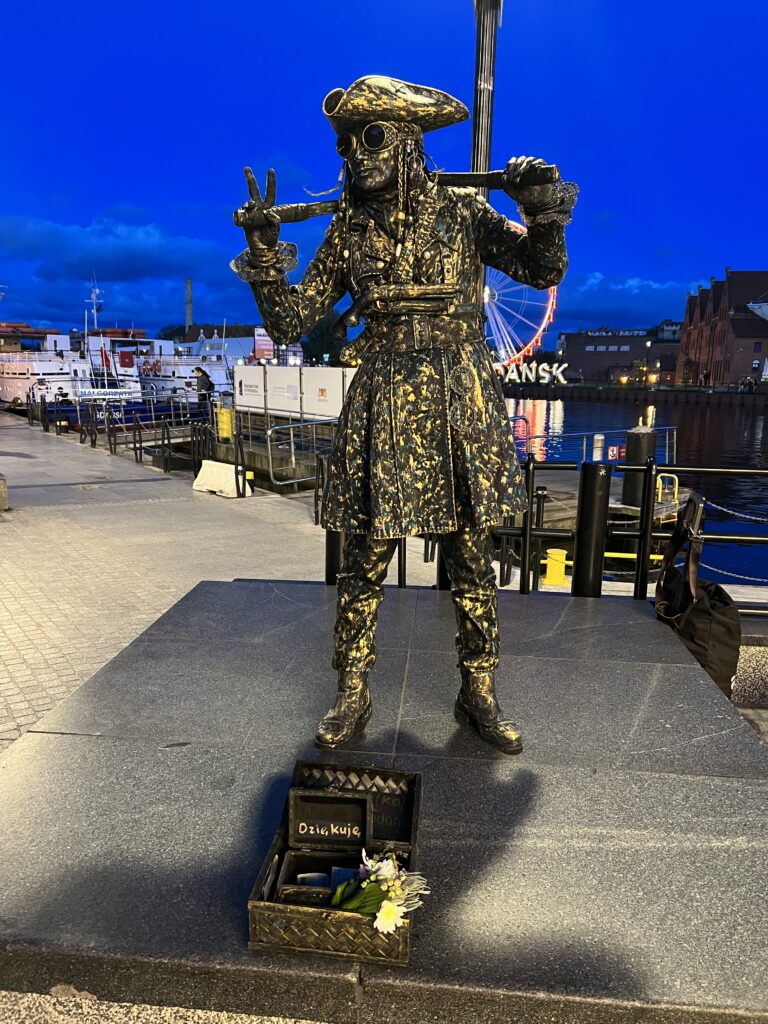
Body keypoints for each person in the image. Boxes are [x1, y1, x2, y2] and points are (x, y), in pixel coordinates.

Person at [231, 75, 576, 755]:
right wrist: (267, 256)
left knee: (472, 557)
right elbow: (292, 322)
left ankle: (479, 690)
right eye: (346, 143)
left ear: (408, 141)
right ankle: (352, 691)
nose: (356, 155)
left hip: (459, 398)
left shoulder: (464, 213)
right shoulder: (348, 230)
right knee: (363, 559)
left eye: (372, 136)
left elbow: (542, 271)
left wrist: (542, 212)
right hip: (384, 398)